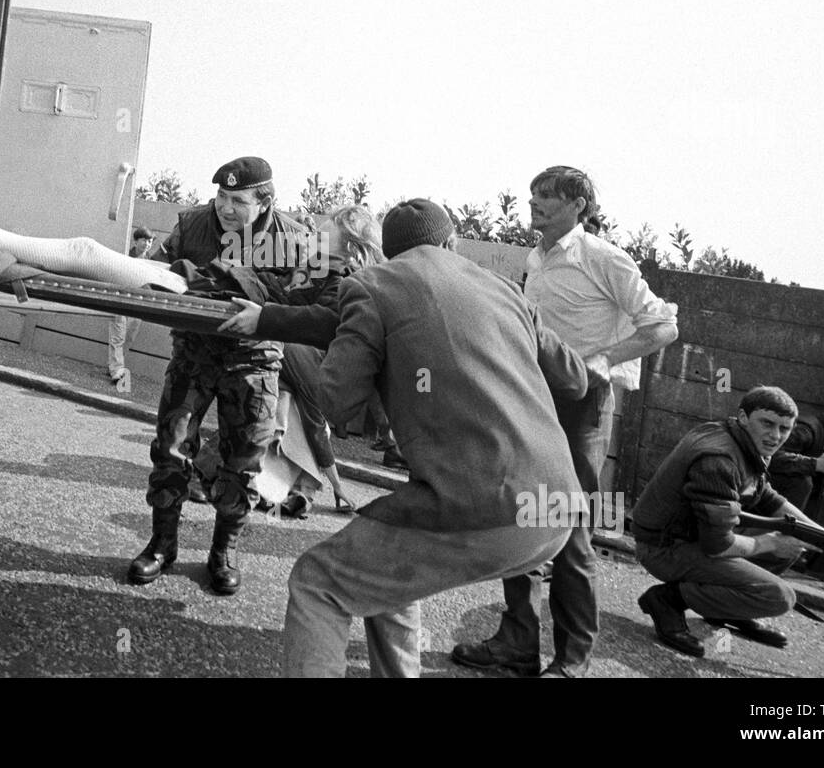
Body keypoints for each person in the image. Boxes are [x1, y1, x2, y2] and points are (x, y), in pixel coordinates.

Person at [281, 198, 597, 677]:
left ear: (389, 250)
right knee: (385, 571)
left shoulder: (370, 286)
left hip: (481, 507)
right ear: (452, 243)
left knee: (317, 582)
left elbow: (337, 401)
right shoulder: (506, 289)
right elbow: (575, 379)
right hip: (558, 512)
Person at [453, 165, 679, 678]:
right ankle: (517, 642)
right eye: (533, 194)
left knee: (569, 528)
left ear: (579, 205)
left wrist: (601, 362)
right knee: (520, 517)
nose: (535, 203)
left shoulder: (604, 258)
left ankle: (572, 658)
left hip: (582, 406)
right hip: (531, 397)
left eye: (549, 197)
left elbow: (662, 324)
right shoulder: (536, 257)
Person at [128, 156, 308, 595]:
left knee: (243, 462)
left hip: (254, 360)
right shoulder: (191, 225)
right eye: (221, 197)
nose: (225, 208)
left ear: (265, 202)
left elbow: (300, 298)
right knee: (170, 450)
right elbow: (157, 276)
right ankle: (161, 545)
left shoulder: (297, 239)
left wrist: (218, 280)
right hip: (195, 352)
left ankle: (222, 554)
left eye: (238, 200)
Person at [628, 386, 824, 656]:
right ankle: (667, 599)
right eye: (768, 424)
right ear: (743, 416)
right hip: (664, 548)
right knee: (780, 596)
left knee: (794, 538)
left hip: (690, 538)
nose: (776, 436)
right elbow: (718, 545)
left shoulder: (739, 440)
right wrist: (769, 543)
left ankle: (724, 609)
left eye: (784, 429)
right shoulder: (720, 459)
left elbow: (768, 498)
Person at [219, 204, 388, 515]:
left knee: (281, 396)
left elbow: (317, 418)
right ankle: (295, 489)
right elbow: (290, 295)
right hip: (306, 378)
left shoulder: (347, 289)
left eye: (323, 237)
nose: (313, 241)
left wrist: (265, 316)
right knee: (279, 399)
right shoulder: (330, 276)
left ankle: (284, 486)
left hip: (321, 379)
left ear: (349, 250)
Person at [107, 226, 156, 392]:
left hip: (138, 304)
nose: (147, 244)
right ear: (136, 241)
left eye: (149, 241)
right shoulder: (125, 256)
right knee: (118, 336)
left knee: (129, 337)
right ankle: (117, 370)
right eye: (144, 240)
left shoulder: (151, 261)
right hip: (121, 300)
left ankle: (115, 366)